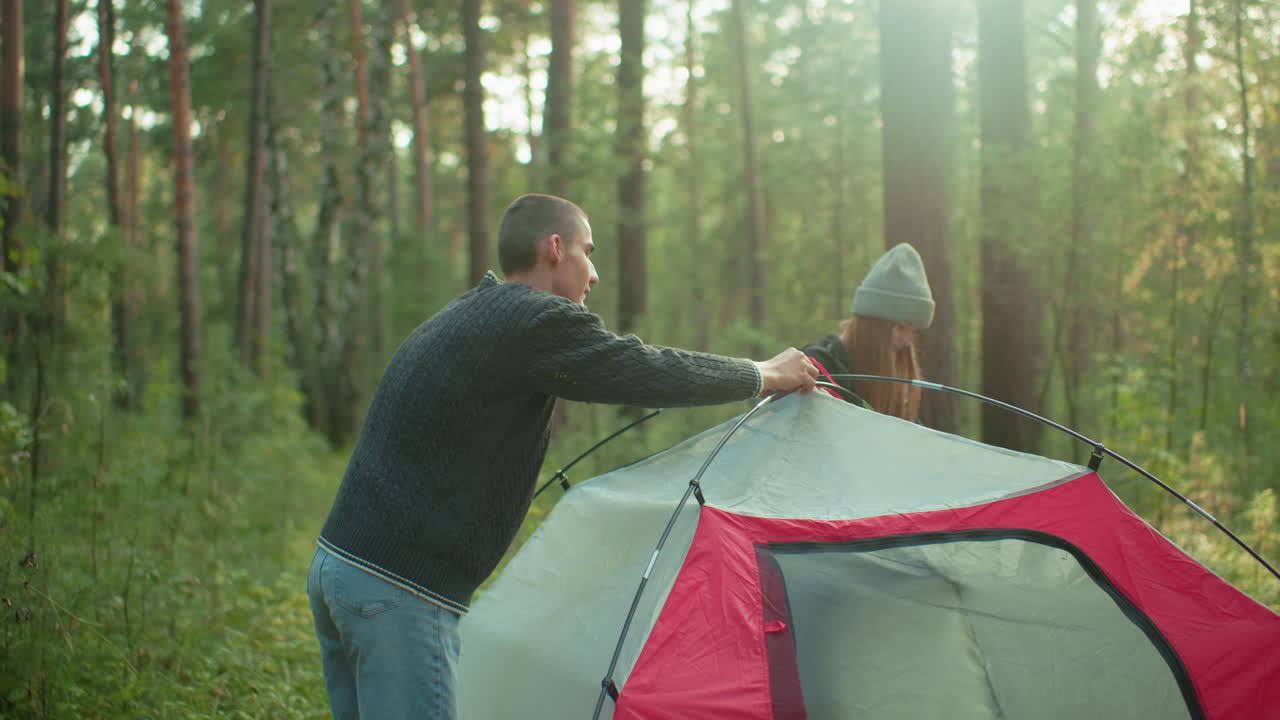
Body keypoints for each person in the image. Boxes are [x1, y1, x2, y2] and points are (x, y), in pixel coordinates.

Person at [307, 193, 818, 719]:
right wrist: (764, 374)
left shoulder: (477, 312)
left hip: (342, 565)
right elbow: (644, 369)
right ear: (554, 248)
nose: (593, 274)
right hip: (397, 591)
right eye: (587, 251)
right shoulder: (536, 320)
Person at [802, 242, 934, 422]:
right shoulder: (818, 367)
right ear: (873, 324)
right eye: (901, 327)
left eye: (914, 331)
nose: (907, 341)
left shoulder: (893, 384)